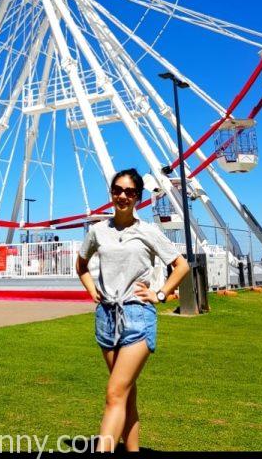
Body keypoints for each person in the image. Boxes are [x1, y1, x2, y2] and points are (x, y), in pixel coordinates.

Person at [74, 168, 191, 453]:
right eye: (117, 190)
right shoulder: (98, 231)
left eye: (129, 192)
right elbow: (81, 265)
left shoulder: (148, 231)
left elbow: (182, 265)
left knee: (114, 393)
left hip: (138, 315)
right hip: (107, 317)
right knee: (126, 395)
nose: (122, 196)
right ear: (112, 193)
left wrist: (160, 293)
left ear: (137, 196)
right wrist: (92, 291)